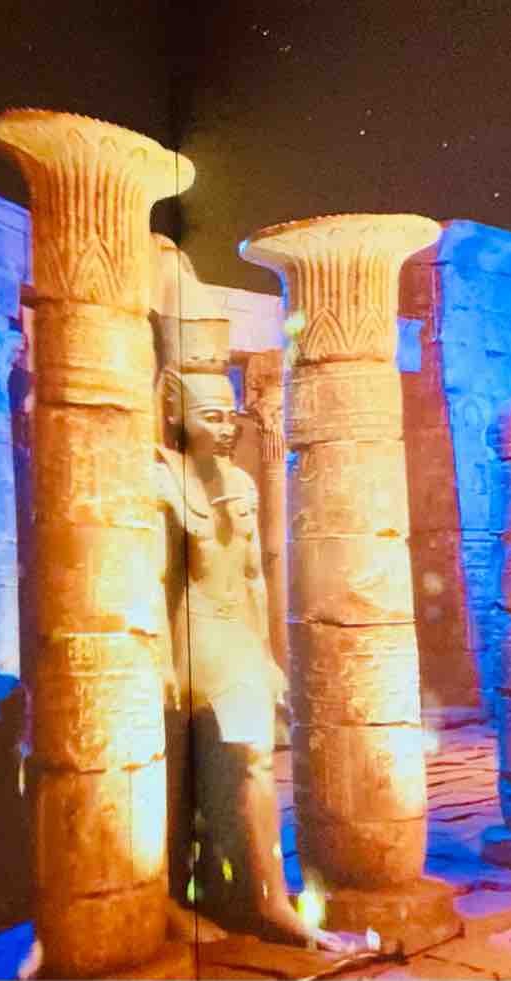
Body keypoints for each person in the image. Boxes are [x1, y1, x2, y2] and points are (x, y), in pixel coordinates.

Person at [155, 366, 362, 954]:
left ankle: (263, 898)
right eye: (211, 417)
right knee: (182, 780)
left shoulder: (241, 484)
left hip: (235, 643)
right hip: (190, 641)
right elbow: (155, 580)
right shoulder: (161, 481)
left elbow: (253, 581)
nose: (226, 429)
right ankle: (178, 899)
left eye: (230, 417)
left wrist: (267, 654)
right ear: (176, 416)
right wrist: (162, 662)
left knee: (248, 765)